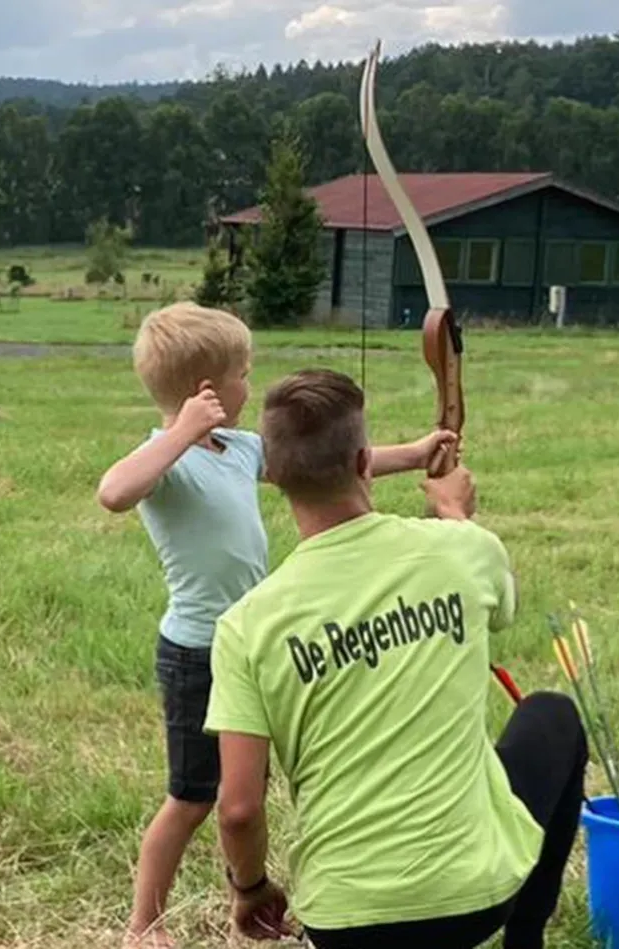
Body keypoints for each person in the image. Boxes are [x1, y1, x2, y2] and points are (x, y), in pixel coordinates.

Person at [96, 304, 459, 948]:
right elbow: (116, 492)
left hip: (252, 648)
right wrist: (181, 432)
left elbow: (324, 462)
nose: (248, 385)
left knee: (247, 787)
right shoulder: (169, 456)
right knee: (191, 796)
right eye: (241, 373)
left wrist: (418, 451)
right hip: (197, 653)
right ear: (204, 392)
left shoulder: (236, 449)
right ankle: (141, 925)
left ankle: (248, 881)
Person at [204, 368, 589, 949]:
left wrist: (251, 888)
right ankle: (525, 937)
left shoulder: (245, 625)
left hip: (343, 922)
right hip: (478, 900)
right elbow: (499, 600)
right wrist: (456, 513)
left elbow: (237, 808)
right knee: (553, 714)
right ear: (365, 462)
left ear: (275, 477)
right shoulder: (463, 550)